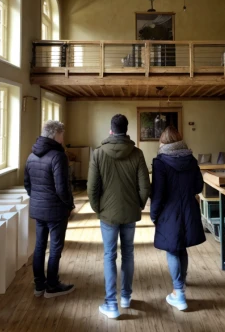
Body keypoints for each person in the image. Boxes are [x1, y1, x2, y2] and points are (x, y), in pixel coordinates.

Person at [87, 114, 151, 320]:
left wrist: (98, 209)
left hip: (107, 213)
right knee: (129, 254)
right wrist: (139, 205)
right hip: (129, 211)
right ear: (127, 129)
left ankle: (111, 303)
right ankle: (126, 297)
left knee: (109, 255)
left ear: (111, 130)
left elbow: (92, 188)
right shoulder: (137, 153)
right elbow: (145, 186)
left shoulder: (97, 154)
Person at [150, 126, 205, 311]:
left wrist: (154, 213)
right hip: (189, 209)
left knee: (173, 249)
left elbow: (158, 193)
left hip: (169, 212)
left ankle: (178, 293)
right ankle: (181, 282)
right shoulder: (191, 159)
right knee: (182, 248)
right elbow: (198, 186)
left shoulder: (160, 163)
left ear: (163, 142)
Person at [24, 120, 75, 298]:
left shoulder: (31, 156)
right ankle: (52, 286)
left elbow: (27, 185)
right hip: (55, 211)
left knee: (39, 247)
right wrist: (69, 204)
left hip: (38, 209)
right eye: (62, 134)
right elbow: (62, 188)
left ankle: (39, 285)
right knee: (55, 248)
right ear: (56, 135)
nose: (63, 138)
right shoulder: (57, 156)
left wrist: (38, 199)